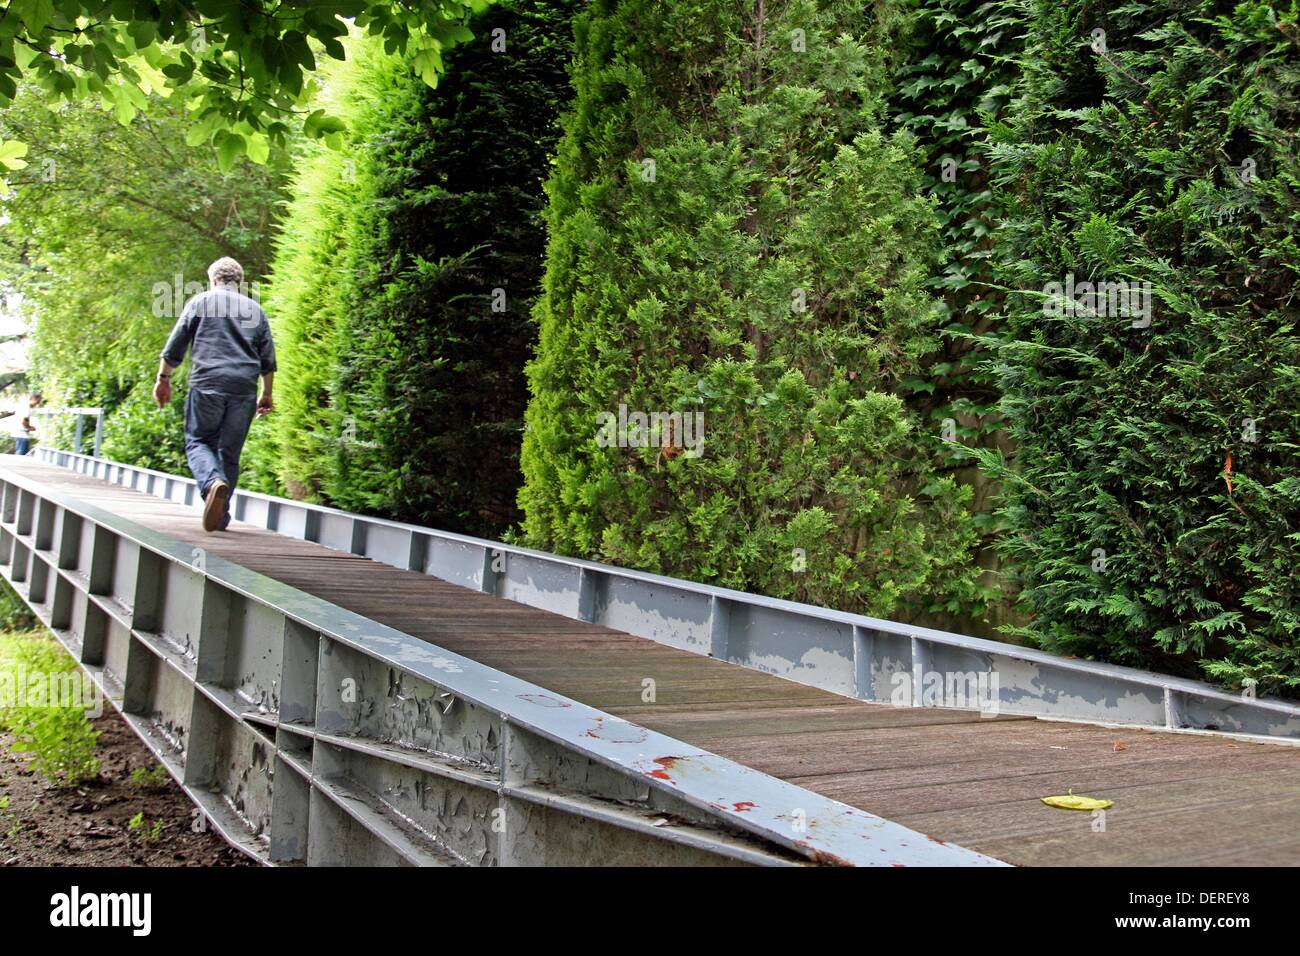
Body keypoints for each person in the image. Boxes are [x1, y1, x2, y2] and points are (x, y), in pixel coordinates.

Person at [154, 258, 275, 532]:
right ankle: (220, 517)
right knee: (229, 453)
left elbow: (175, 346)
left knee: (198, 440)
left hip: (207, 384)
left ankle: (211, 484)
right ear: (239, 282)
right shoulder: (255, 310)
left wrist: (163, 380)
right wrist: (266, 393)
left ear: (213, 280)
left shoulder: (201, 302)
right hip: (243, 389)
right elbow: (268, 359)